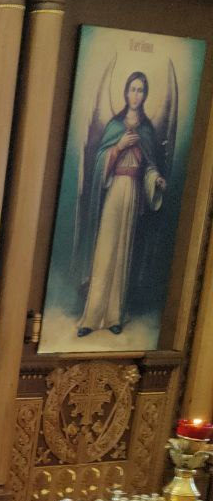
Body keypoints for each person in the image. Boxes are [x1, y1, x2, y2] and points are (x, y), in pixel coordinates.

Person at [75, 70, 167, 338]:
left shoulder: (147, 130)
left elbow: (148, 166)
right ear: (125, 92)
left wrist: (156, 178)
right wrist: (119, 146)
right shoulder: (115, 125)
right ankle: (92, 317)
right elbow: (100, 162)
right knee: (105, 251)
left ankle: (115, 315)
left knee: (123, 253)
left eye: (140, 90)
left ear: (145, 95)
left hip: (134, 192)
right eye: (132, 89)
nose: (135, 95)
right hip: (115, 190)